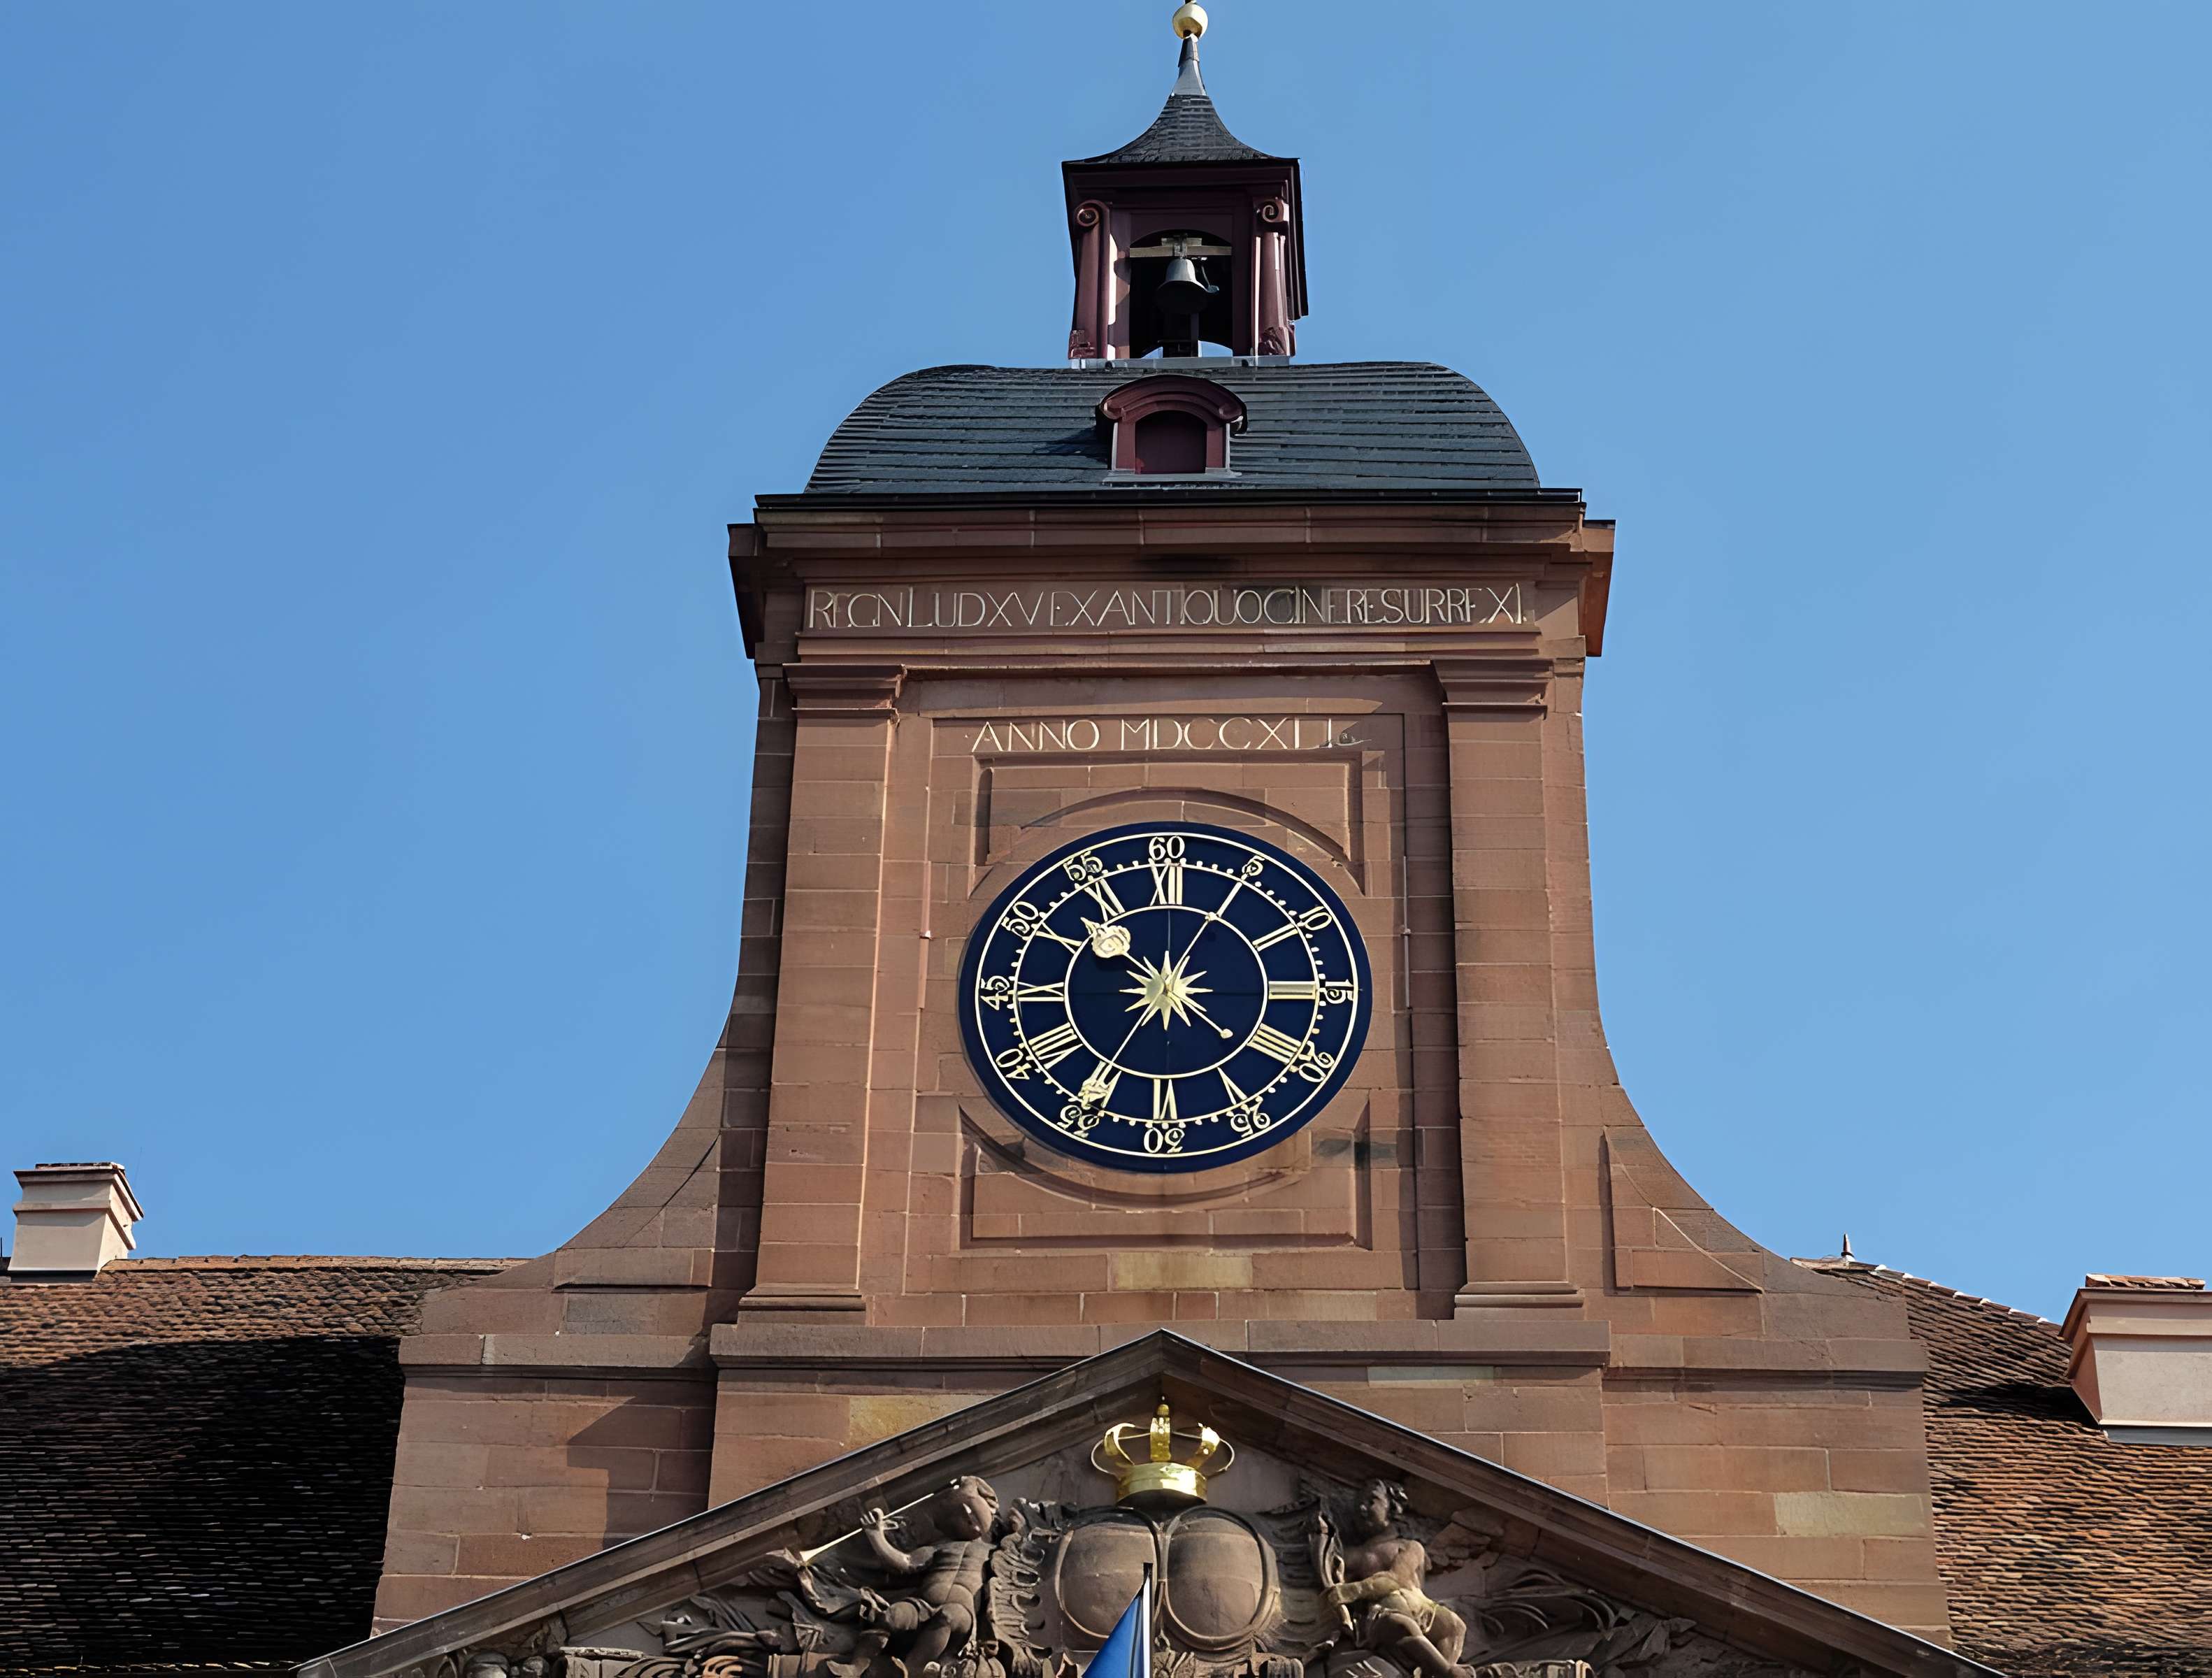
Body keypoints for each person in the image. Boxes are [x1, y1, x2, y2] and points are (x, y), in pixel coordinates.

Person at [1321, 1480, 1472, 1678]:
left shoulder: (1410, 1547)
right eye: (1359, 1502)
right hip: (1382, 1613)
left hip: (1422, 1609)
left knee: (1455, 1625)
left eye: (1372, 1501)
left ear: (1392, 1508)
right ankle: (1447, 1673)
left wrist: (1352, 1590)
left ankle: (1433, 1672)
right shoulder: (1356, 1555)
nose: (1362, 1508)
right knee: (1401, 1625)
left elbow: (1397, 1579)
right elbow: (1332, 1570)